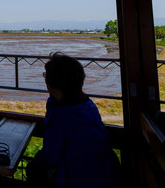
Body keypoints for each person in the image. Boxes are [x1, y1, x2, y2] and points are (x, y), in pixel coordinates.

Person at [27, 53, 120, 187]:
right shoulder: (88, 105)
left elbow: (50, 155)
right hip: (108, 174)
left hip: (78, 178)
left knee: (33, 171)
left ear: (51, 83)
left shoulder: (62, 116)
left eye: (46, 77)